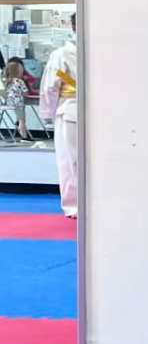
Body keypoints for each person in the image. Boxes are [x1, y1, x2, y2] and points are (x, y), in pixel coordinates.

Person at [40, 15, 78, 217]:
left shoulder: (61, 55)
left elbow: (50, 87)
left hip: (70, 110)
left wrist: (47, 113)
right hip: (94, 111)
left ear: (72, 27)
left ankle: (74, 206)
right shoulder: (103, 52)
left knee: (69, 161)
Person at [2, 58, 31, 142]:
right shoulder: (20, 81)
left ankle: (19, 127)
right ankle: (24, 137)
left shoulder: (6, 81)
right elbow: (25, 92)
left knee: (19, 119)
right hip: (19, 104)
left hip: (9, 103)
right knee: (22, 120)